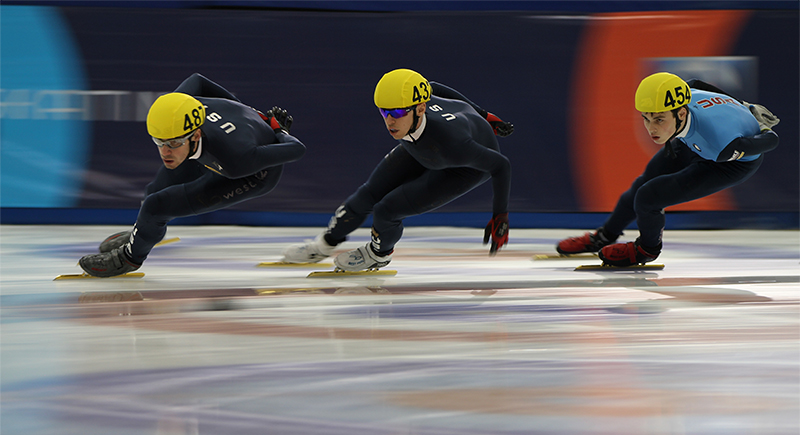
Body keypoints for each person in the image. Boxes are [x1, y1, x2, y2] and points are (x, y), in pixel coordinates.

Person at [282, 68, 513, 271]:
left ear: (420, 109)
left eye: (399, 113)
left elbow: (501, 165)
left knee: (387, 210)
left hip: (464, 166)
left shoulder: (453, 143)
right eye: (384, 112)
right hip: (424, 145)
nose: (390, 121)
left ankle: (378, 255)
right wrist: (485, 115)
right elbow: (433, 87)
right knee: (366, 196)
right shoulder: (415, 109)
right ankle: (322, 246)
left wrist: (500, 216)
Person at [79, 73, 306, 277]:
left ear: (195, 135)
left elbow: (297, 150)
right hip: (211, 148)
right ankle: (144, 234)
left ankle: (128, 259)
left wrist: (279, 131)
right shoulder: (181, 107)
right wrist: (239, 109)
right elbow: (197, 80)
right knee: (153, 192)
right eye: (159, 143)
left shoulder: (237, 159)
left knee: (156, 206)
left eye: (173, 143)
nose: (165, 152)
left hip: (251, 173)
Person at [557, 72, 779, 266]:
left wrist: (763, 127)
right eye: (646, 119)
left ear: (681, 113)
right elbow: (696, 82)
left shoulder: (719, 144)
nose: (651, 128)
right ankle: (604, 236)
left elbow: (771, 142)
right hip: (693, 140)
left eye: (659, 120)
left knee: (649, 197)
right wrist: (742, 104)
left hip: (728, 163)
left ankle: (646, 250)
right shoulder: (685, 94)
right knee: (640, 185)